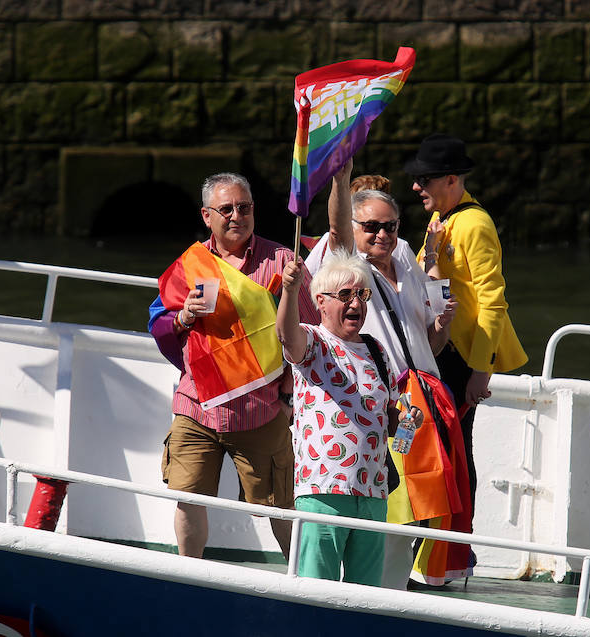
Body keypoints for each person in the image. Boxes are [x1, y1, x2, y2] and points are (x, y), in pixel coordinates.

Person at [305, 159, 459, 589]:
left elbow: (429, 343)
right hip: (382, 399)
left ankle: (400, 592)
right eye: (371, 226)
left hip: (422, 398)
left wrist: (442, 323)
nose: (382, 235)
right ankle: (380, 592)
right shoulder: (345, 263)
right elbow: (336, 232)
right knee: (394, 504)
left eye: (390, 226)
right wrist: (338, 175)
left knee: (426, 507)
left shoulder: (406, 253)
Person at [148, 172, 319, 559]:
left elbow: (310, 335)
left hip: (262, 408)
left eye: (244, 207)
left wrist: (292, 397)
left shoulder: (284, 262)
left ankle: (303, 584)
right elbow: (157, 324)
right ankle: (187, 578)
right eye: (226, 209)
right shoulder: (190, 265)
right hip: (197, 405)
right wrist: (183, 318)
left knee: (281, 505)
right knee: (188, 498)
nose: (236, 216)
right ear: (207, 215)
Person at [276, 250, 422, 585]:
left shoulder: (377, 351)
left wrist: (409, 423)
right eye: (345, 295)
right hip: (323, 490)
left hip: (373, 494)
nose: (355, 303)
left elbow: (394, 432)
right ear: (321, 302)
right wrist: (288, 290)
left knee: (366, 595)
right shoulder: (313, 342)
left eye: (362, 294)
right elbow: (286, 335)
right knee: (316, 590)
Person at [405, 133, 528, 515]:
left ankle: (455, 546)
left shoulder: (474, 225)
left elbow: (494, 301)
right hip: (437, 351)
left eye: (424, 180)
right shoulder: (440, 221)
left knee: (455, 448)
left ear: (451, 180)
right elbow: (436, 288)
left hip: (461, 361)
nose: (415, 186)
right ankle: (437, 544)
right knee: (433, 445)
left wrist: (481, 370)